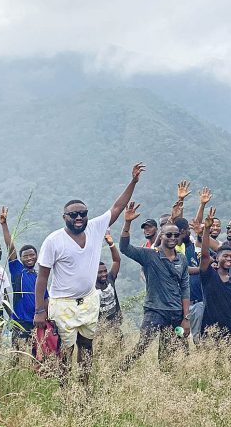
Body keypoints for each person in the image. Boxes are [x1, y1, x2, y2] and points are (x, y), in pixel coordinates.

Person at [33, 162, 144, 379]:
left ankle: (84, 387)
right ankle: (66, 389)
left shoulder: (94, 228)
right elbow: (42, 277)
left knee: (86, 346)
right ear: (64, 216)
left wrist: (133, 182)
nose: (78, 218)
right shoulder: (53, 241)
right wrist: (39, 310)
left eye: (82, 213)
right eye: (73, 214)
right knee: (65, 349)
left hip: (88, 300)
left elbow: (117, 208)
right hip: (63, 303)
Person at [119, 201, 191, 369]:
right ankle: (119, 373)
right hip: (155, 311)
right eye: (168, 235)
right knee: (142, 346)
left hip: (175, 314)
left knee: (170, 350)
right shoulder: (149, 255)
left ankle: (166, 380)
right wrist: (127, 222)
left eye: (175, 235)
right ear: (162, 236)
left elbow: (185, 289)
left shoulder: (182, 260)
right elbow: (124, 248)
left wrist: (186, 318)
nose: (172, 238)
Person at [198, 207, 231, 338]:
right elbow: (205, 255)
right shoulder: (208, 275)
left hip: (230, 331)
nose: (229, 258)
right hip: (209, 330)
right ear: (217, 258)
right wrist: (206, 229)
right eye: (225, 256)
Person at [0, 206, 43, 347]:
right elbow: (11, 249)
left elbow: (46, 298)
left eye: (32, 255)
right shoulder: (18, 271)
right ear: (21, 259)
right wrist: (4, 225)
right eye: (26, 256)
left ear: (36, 257)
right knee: (18, 353)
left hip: (37, 320)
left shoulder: (39, 276)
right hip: (20, 321)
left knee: (37, 353)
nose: (29, 258)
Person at [96, 233, 123, 336]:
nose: (103, 274)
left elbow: (117, 261)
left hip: (115, 326)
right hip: (99, 330)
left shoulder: (110, 278)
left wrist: (111, 244)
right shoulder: (90, 287)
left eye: (105, 271)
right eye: (100, 272)